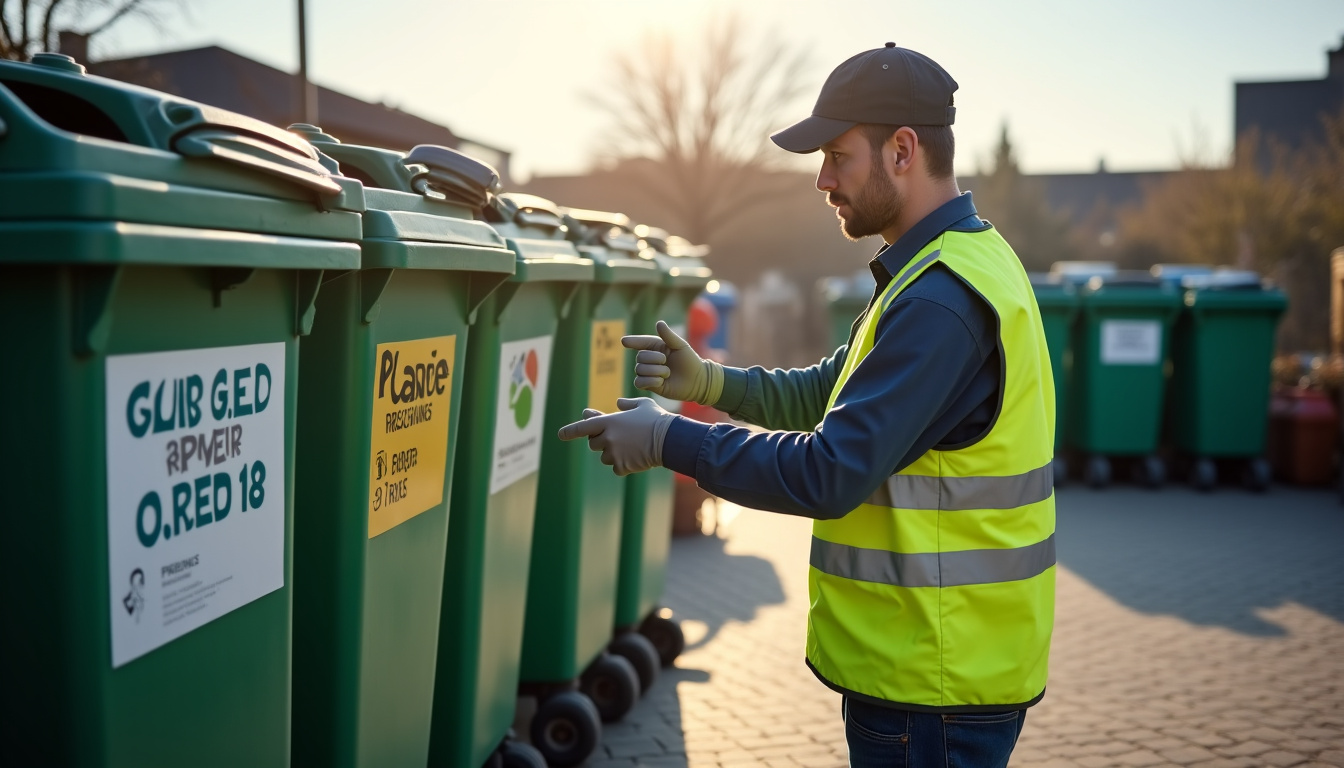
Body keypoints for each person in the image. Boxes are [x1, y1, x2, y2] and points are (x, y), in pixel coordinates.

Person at [558, 43, 1055, 768]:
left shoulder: (941, 300)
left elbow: (830, 469)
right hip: (938, 665)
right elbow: (832, 391)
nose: (822, 178)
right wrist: (710, 385)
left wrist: (670, 442)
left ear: (903, 150)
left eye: (838, 155)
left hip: (933, 687)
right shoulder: (953, 265)